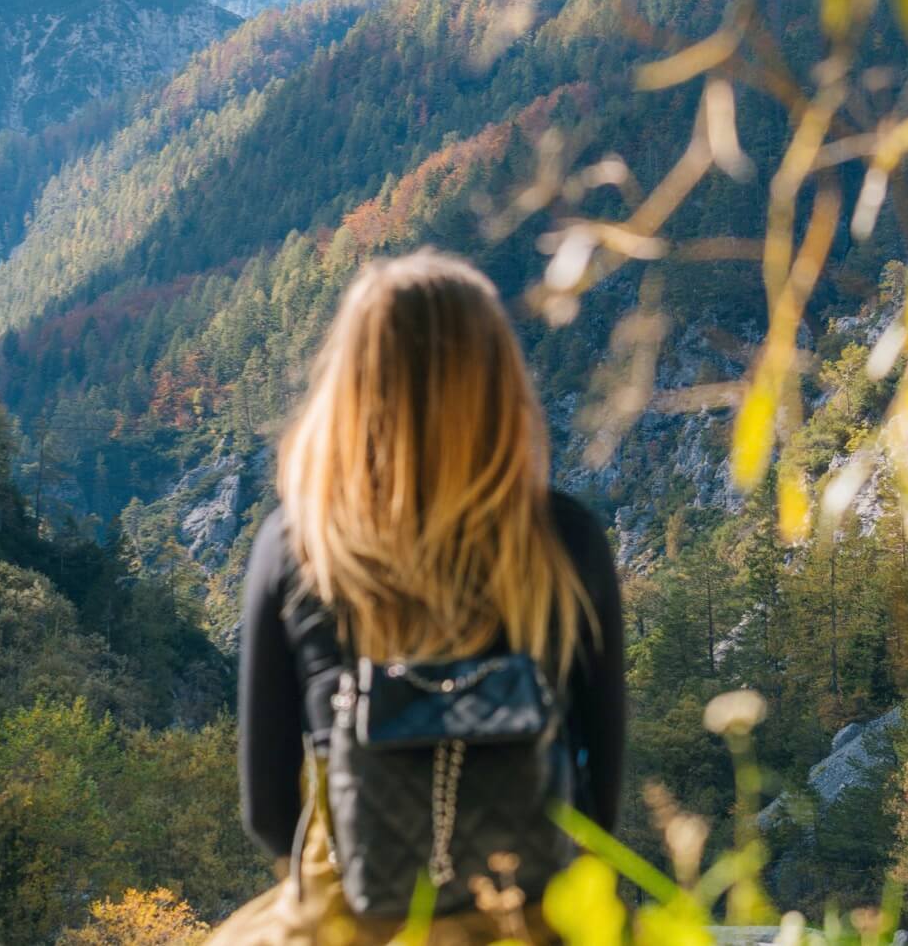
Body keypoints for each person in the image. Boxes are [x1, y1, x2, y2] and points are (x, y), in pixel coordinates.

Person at [207, 250, 625, 945]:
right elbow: (598, 806)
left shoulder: (298, 549)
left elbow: (269, 813)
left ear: (354, 383)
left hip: (353, 920)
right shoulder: (566, 541)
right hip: (531, 922)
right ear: (497, 384)